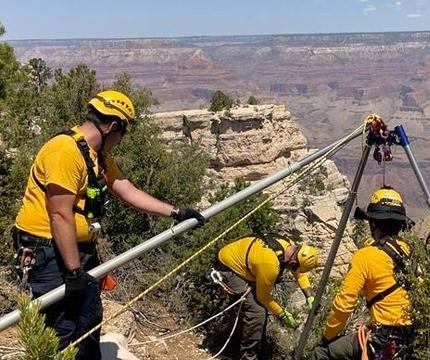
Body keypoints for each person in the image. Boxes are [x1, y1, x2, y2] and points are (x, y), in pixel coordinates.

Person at [11, 90, 206, 359]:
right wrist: (73, 271)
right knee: (61, 328)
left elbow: (125, 188)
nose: (120, 141)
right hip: (49, 252)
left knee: (89, 320)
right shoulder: (65, 151)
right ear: (114, 127)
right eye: (123, 134)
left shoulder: (95, 154)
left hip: (78, 252)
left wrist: (175, 212)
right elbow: (60, 215)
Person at [311, 186, 430, 360]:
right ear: (400, 223)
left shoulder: (365, 255)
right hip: (413, 337)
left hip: (382, 339)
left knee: (321, 353)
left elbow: (344, 305)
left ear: (373, 222)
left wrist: (327, 337)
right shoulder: (412, 251)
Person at [211, 234, 319, 360]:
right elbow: (263, 296)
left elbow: (299, 274)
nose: (294, 270)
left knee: (258, 309)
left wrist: (310, 295)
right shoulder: (270, 264)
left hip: (242, 262)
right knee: (257, 311)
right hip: (229, 268)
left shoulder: (288, 246)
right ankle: (248, 356)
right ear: (294, 262)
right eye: (294, 267)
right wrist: (282, 314)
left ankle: (247, 346)